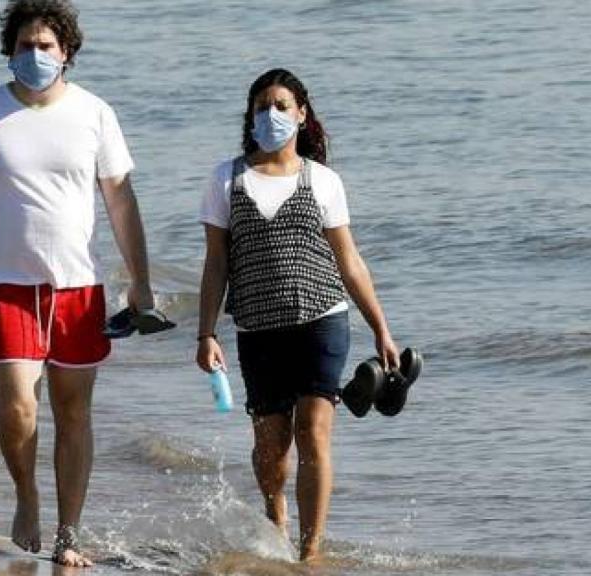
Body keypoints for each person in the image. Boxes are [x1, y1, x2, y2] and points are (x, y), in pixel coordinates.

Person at [0, 0, 155, 567]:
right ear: (10, 51)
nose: (35, 55)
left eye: (45, 46)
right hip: (5, 284)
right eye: (25, 45)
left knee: (74, 413)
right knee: (19, 409)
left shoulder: (95, 114)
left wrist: (140, 284)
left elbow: (122, 204)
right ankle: (27, 497)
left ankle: (69, 531)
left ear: (67, 53)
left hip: (78, 287)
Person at [195, 68, 401, 563]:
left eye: (282, 105)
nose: (272, 114)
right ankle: (276, 516)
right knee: (272, 454)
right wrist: (206, 333)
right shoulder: (226, 179)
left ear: (302, 114)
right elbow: (216, 263)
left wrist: (381, 329)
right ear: (250, 116)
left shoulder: (323, 181)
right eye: (262, 106)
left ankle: (310, 551)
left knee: (313, 432)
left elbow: (350, 261)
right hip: (258, 330)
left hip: (322, 322)